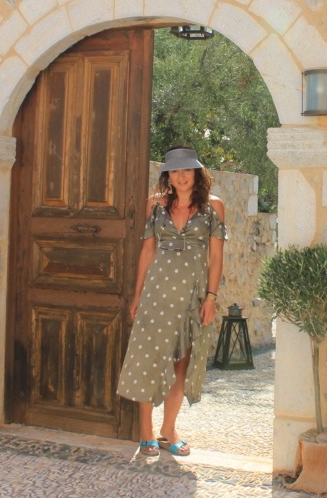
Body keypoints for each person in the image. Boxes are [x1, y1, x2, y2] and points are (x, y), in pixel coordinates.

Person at [117, 146, 227, 457]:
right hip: (155, 294)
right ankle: (146, 432)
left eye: (187, 170)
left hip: (191, 297)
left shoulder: (214, 207)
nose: (180, 176)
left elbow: (216, 256)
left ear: (196, 173)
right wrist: (137, 295)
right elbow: (147, 251)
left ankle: (169, 430)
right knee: (147, 359)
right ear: (168, 175)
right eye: (175, 170)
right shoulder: (155, 204)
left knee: (181, 364)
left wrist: (211, 297)